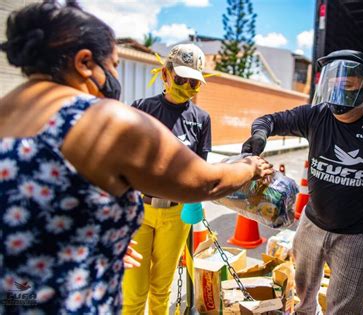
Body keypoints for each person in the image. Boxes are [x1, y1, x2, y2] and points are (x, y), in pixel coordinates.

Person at [0, 1, 272, 314]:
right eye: (114, 64)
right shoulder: (106, 119)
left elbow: (43, 208)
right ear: (85, 62)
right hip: (70, 304)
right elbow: (205, 182)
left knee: (160, 286)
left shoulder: (9, 113)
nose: (114, 75)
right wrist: (249, 166)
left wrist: (100, 236)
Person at [241, 50, 363, 314]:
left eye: (347, 88)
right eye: (334, 87)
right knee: (302, 297)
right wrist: (260, 136)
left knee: (345, 308)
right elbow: (269, 120)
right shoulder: (315, 116)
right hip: (311, 225)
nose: (338, 96)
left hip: (357, 235)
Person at [121, 43, 211, 315]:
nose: (187, 86)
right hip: (140, 211)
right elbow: (125, 162)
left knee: (162, 289)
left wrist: (197, 199)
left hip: (176, 215)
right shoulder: (142, 109)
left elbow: (201, 169)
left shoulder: (201, 119)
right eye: (181, 79)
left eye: (194, 83)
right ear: (165, 74)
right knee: (134, 292)